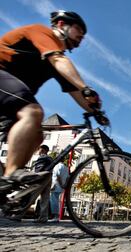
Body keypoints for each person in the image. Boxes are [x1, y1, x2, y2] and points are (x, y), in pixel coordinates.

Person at [0, 11, 106, 194]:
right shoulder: (43, 34)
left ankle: (7, 182)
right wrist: (86, 87)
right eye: (78, 29)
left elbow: (76, 92)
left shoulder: (57, 62)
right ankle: (10, 176)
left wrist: (96, 111)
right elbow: (60, 61)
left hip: (10, 98)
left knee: (37, 136)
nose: (81, 35)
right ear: (61, 24)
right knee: (33, 112)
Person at [32, 145, 53, 223]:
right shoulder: (50, 158)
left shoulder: (42, 157)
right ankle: (43, 217)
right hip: (49, 177)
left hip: (42, 177)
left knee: (32, 196)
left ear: (43, 150)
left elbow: (39, 168)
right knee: (45, 198)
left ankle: (18, 215)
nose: (38, 151)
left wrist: (34, 178)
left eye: (39, 150)